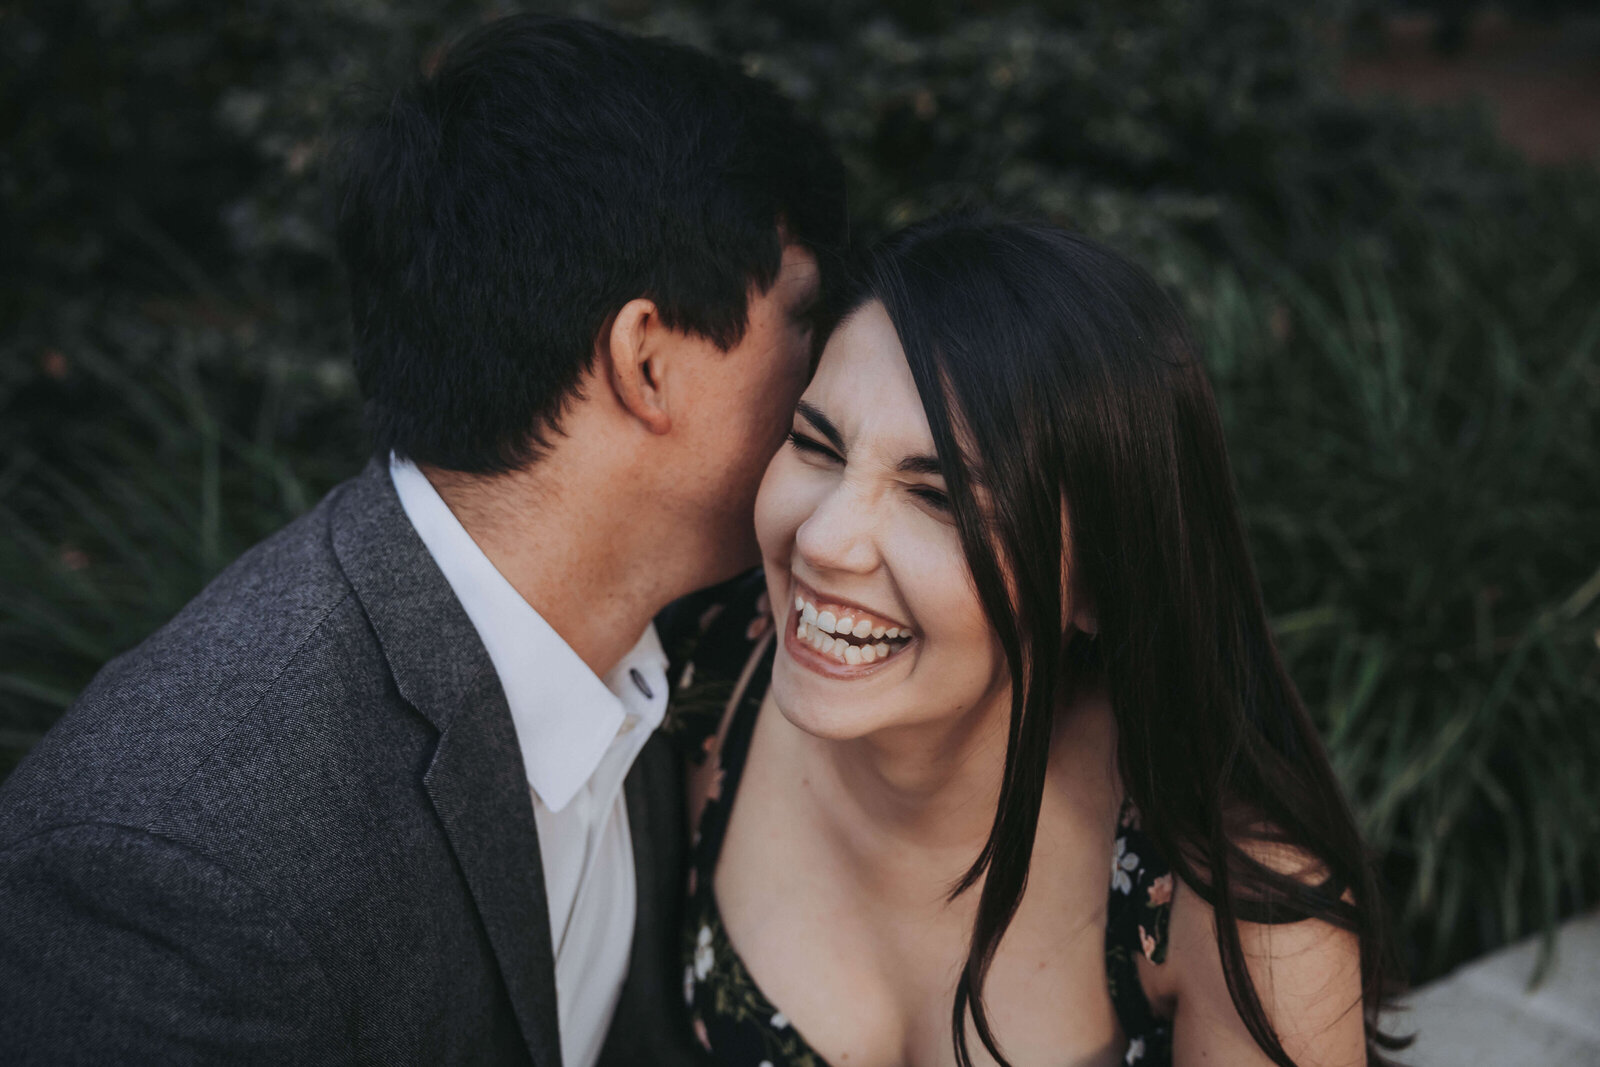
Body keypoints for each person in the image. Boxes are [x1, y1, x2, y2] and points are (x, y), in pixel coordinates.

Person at [0, 15, 844, 1066]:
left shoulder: (661, 648)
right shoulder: (181, 862)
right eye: (803, 319)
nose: (829, 373)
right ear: (648, 363)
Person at [675, 217, 1405, 1067]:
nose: (826, 539)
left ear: (1097, 580)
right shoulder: (712, 674)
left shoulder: (1239, 915)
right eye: (815, 445)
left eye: (939, 497)